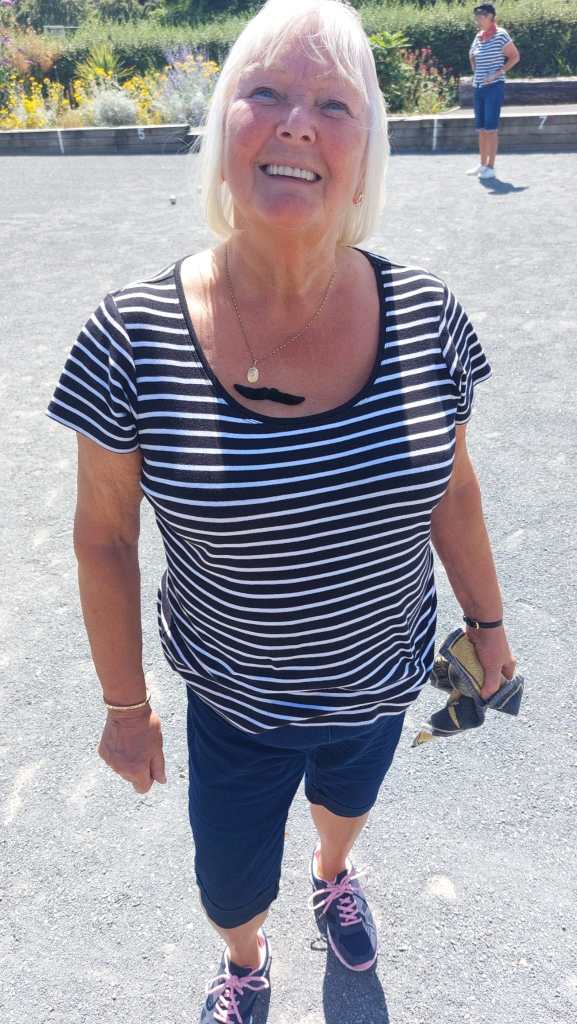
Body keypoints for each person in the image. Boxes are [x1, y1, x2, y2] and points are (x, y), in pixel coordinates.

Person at [48, 1, 517, 1021]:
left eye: (332, 104)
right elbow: (103, 537)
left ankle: (332, 875)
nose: (297, 122)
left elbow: (453, 486)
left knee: (346, 803)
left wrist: (486, 626)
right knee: (227, 881)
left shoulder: (427, 317)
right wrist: (125, 706)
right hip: (233, 703)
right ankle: (246, 961)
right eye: (264, 92)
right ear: (223, 125)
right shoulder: (131, 335)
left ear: (365, 151)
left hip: (379, 678)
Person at [467, 3, 520, 179]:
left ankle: (491, 167)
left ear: (490, 16)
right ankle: (482, 164)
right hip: (478, 87)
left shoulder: (501, 35)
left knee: (491, 129)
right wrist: (475, 69)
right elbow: (472, 54)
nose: (477, 19)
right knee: (481, 129)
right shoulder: (478, 36)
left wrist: (496, 73)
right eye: (476, 16)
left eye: (480, 16)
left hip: (494, 87)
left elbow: (514, 57)